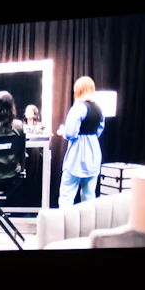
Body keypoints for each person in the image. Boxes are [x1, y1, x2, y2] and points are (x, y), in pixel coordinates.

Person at [57, 76, 104, 207]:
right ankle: (88, 220)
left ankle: (65, 219)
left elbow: (70, 133)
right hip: (93, 153)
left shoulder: (78, 108)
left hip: (77, 154)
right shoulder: (99, 109)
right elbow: (99, 130)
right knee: (89, 195)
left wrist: (63, 132)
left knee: (67, 194)